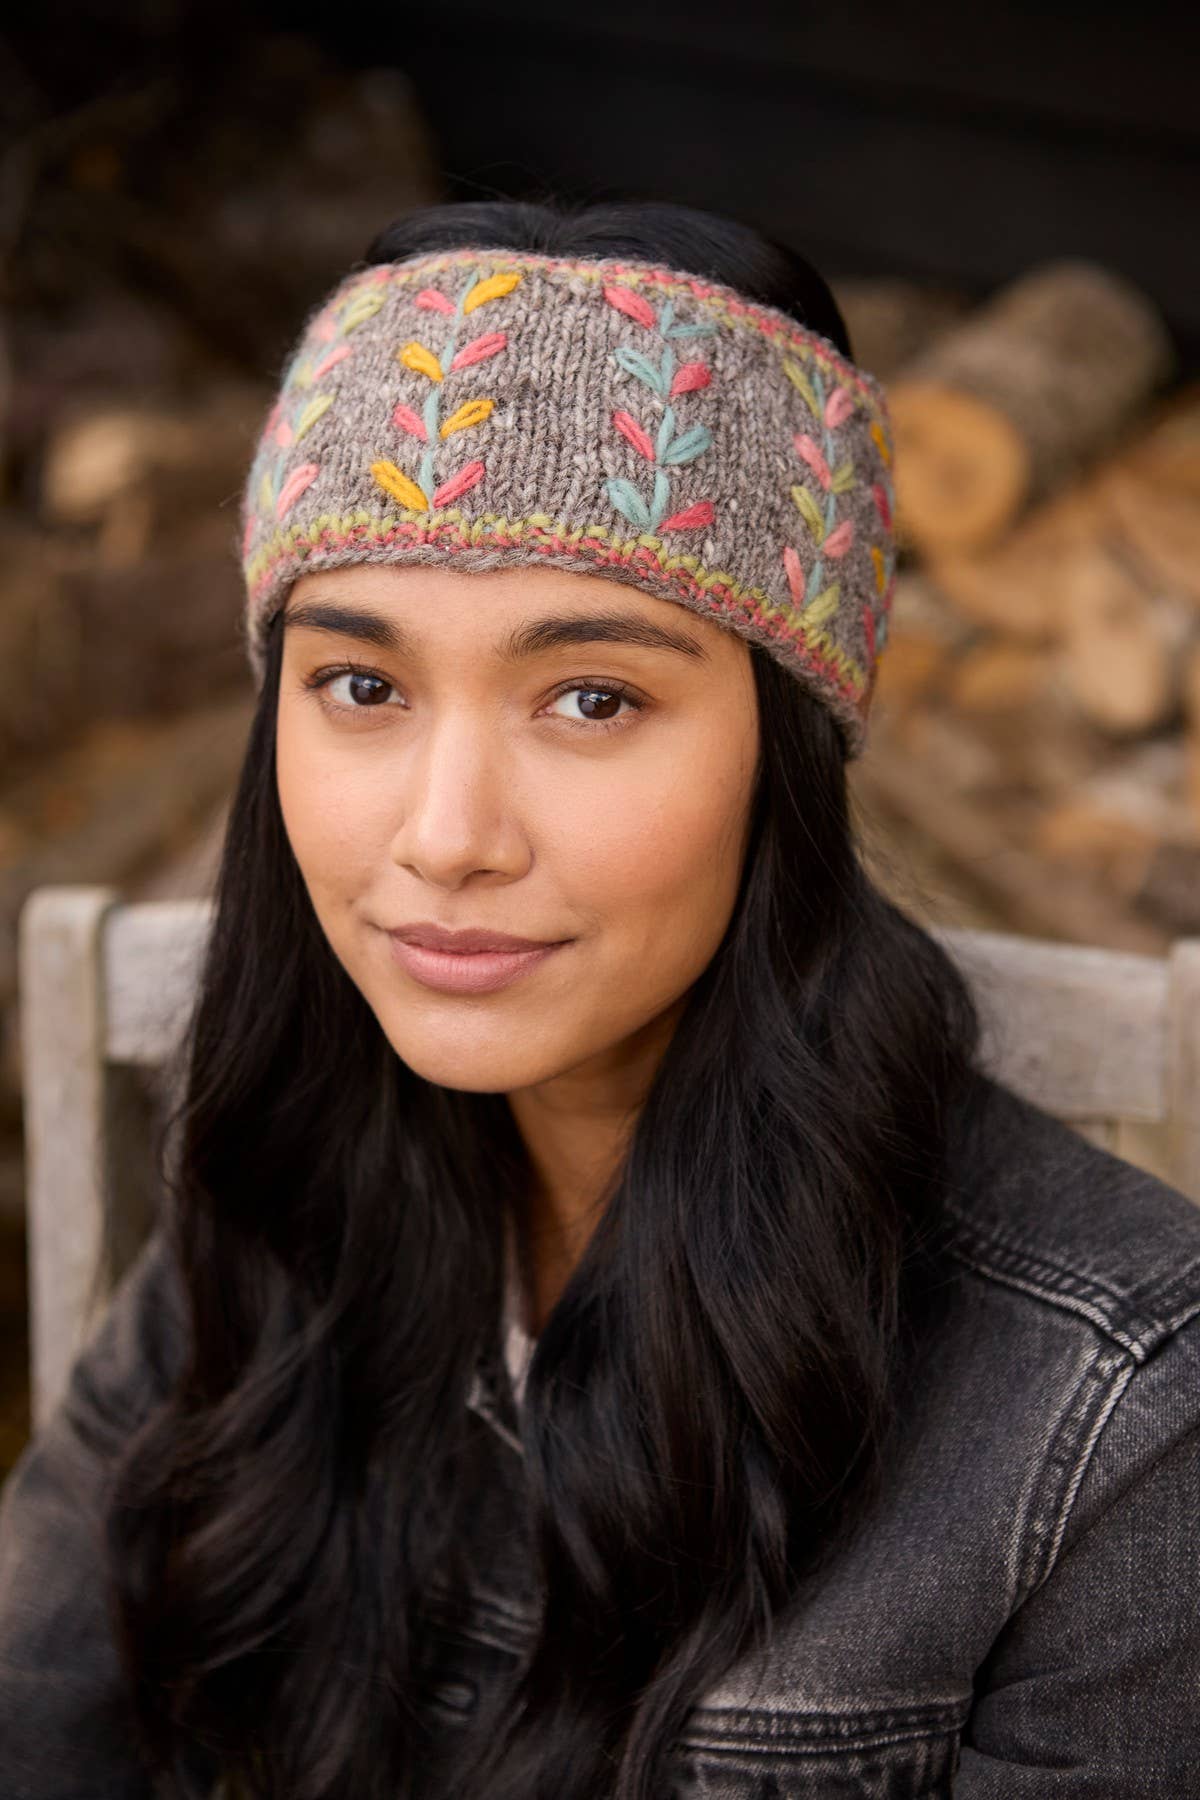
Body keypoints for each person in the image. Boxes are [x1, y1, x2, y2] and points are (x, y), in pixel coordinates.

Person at [2, 195, 1199, 1800]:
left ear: (784, 761)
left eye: (592, 695)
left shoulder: (1114, 1414)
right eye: (361, 685)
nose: (446, 838)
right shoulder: (271, 1204)